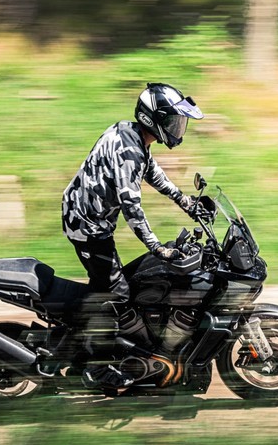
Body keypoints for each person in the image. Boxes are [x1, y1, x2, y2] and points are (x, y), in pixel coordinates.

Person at [62, 82, 205, 305]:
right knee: (118, 294)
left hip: (91, 218)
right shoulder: (130, 152)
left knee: (124, 280)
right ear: (154, 119)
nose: (177, 127)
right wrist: (157, 248)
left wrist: (184, 201)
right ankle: (87, 334)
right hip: (86, 226)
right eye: (172, 121)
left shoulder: (132, 134)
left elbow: (151, 170)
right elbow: (132, 209)